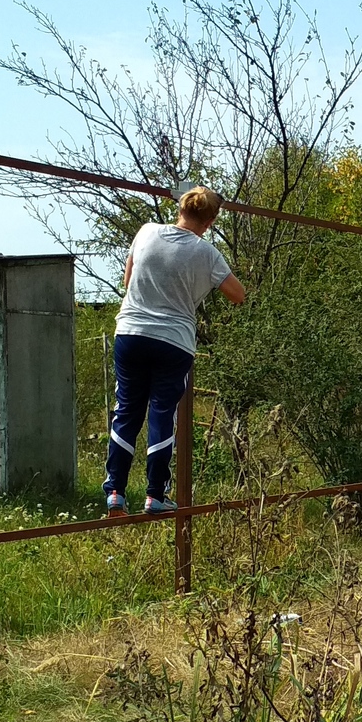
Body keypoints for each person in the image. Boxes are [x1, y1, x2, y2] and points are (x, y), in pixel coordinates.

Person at [106, 186, 247, 515]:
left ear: (181, 208)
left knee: (127, 410)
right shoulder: (207, 252)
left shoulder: (147, 232)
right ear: (210, 221)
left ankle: (115, 492)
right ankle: (155, 495)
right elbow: (237, 295)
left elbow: (128, 280)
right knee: (161, 414)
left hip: (131, 332)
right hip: (173, 342)